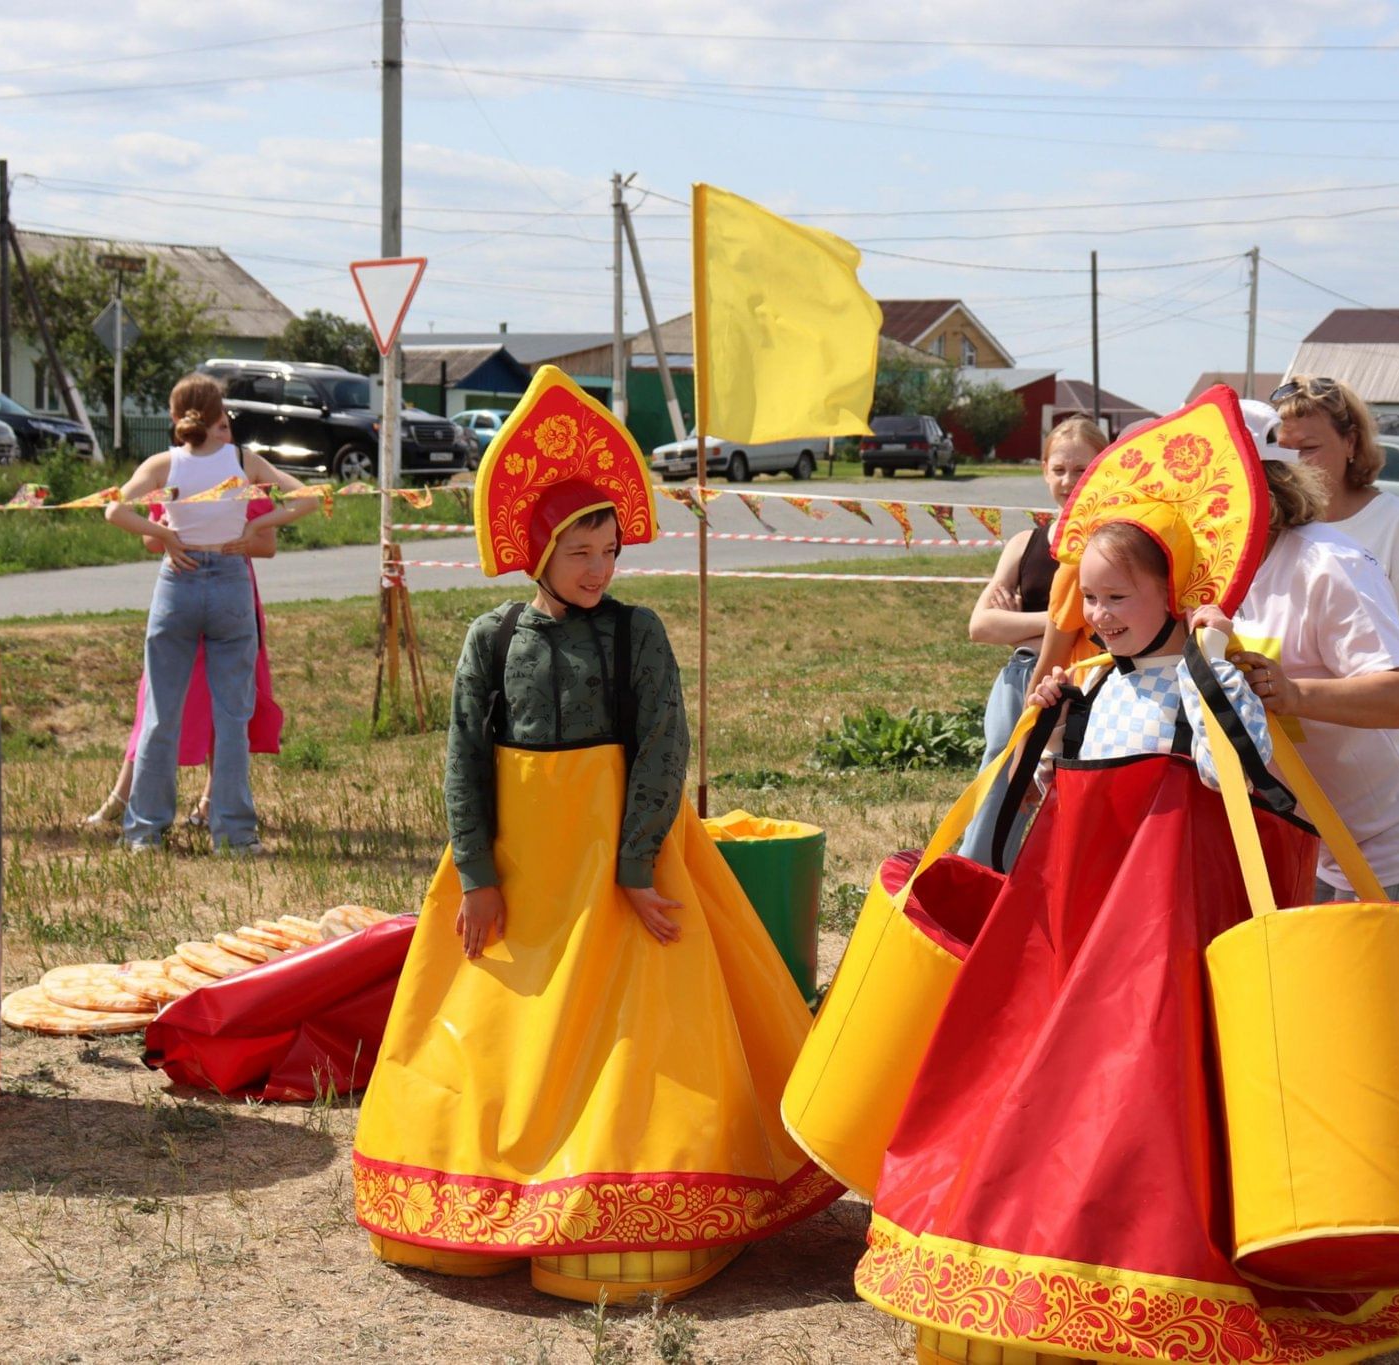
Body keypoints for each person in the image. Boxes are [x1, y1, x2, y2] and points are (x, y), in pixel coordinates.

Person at [854, 394, 1399, 1363]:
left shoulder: (1315, 573)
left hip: (1227, 897)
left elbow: (1252, 768)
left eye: (1113, 600)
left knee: (1266, 1063)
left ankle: (1328, 1220)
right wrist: (1056, 707)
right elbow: (1060, 793)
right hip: (1089, 926)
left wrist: (1232, 679)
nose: (1096, 617)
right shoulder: (1106, 673)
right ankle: (1047, 1241)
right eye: (1088, 602)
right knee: (1062, 1078)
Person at [350, 366, 837, 1303]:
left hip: (631, 871)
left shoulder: (635, 634)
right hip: (522, 880)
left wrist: (633, 864)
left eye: (609, 550)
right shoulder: (492, 640)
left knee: (637, 1036)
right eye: (580, 550)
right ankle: (488, 1193)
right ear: (539, 546)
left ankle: (632, 1195)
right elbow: (464, 758)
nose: (597, 569)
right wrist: (479, 871)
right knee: (501, 1037)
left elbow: (664, 748)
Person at [1227, 391, 1399, 906]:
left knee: (1383, 986)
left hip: (1391, 832)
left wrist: (1294, 694)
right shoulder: (1217, 576)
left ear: (1261, 483)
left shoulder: (1328, 564)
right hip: (1311, 824)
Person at [105, 374, 315, 853]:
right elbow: (306, 498)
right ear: (218, 413)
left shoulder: (163, 464)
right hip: (230, 585)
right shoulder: (243, 461)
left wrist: (165, 536)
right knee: (233, 715)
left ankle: (144, 833)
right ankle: (235, 836)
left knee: (161, 714)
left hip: (177, 583)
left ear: (176, 414)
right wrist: (259, 520)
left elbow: (115, 512)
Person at [83, 497, 286, 828]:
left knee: (227, 700)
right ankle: (122, 798)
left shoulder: (243, 475)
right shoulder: (171, 475)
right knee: (155, 698)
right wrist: (166, 535)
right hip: (180, 591)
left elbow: (267, 544)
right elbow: (150, 540)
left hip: (230, 593)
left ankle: (213, 799)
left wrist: (223, 542)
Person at [956, 415, 1103, 868]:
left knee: (1069, 784)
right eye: (1059, 469)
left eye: (1082, 469)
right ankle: (978, 870)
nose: (1069, 480)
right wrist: (1062, 621)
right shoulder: (1024, 543)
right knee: (1003, 763)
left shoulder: (1110, 544)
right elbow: (980, 626)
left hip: (1084, 680)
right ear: (1043, 470)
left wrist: (1020, 619)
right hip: (1023, 673)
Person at [1272, 376, 1399, 717]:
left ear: (1351, 443)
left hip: (1376, 745)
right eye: (1282, 449)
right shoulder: (1272, 531)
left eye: (1308, 448)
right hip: (1290, 752)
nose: (1293, 463)